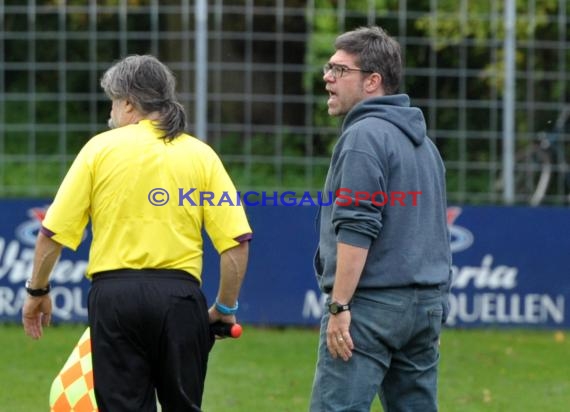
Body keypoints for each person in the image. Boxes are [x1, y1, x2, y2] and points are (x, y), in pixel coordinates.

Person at [22, 54, 252, 412]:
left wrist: (38, 290)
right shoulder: (201, 155)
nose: (111, 113)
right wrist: (225, 306)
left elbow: (52, 234)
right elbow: (236, 244)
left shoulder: (98, 149)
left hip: (115, 300)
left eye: (113, 102)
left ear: (128, 103)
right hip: (180, 300)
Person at [310, 26, 452, 412]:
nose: (327, 77)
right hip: (424, 307)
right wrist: (435, 308)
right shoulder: (426, 146)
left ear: (372, 81)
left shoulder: (364, 137)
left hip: (371, 307)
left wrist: (339, 307)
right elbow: (438, 231)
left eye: (339, 70)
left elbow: (357, 227)